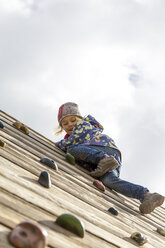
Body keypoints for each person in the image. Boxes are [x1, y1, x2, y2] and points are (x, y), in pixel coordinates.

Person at [55, 102, 164, 214]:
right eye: (65, 123)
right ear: (62, 127)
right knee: (109, 181)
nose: (69, 124)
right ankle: (146, 196)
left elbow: (70, 142)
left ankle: (103, 158)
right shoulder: (73, 136)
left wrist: (58, 144)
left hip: (103, 148)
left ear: (80, 119)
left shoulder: (84, 126)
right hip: (111, 159)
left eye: (73, 120)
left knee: (72, 149)